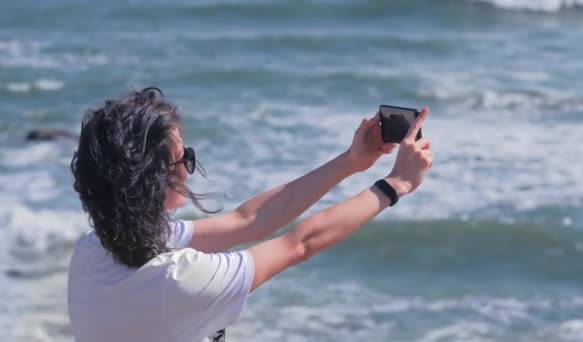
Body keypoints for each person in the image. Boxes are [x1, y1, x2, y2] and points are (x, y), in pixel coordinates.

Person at [67, 87, 433, 342]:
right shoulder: (175, 282)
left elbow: (248, 221)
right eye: (184, 158)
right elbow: (300, 244)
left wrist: (352, 162)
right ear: (154, 178)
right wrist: (395, 185)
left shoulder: (93, 249)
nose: (190, 167)